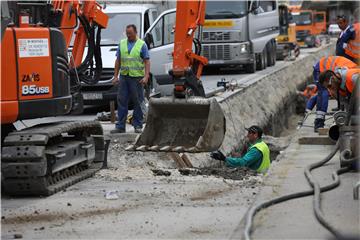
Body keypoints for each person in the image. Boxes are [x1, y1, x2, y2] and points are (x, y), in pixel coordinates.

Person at [111, 24, 150, 134]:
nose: (128, 36)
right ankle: (120, 126)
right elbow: (118, 60)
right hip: (124, 77)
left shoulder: (142, 44)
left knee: (137, 101)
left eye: (130, 34)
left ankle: (137, 125)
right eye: (127, 34)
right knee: (122, 101)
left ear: (135, 32)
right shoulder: (122, 44)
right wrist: (115, 76)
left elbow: (147, 61)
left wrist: (146, 76)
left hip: (137, 78)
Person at [305, 56, 357, 131]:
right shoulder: (348, 76)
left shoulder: (350, 76)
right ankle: (319, 123)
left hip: (331, 72)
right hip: (321, 68)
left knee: (326, 93)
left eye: (330, 87)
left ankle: (309, 110)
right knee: (323, 93)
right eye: (329, 87)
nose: (330, 90)